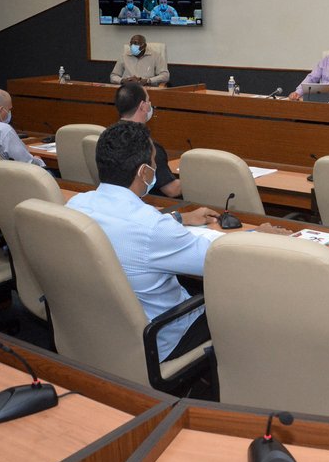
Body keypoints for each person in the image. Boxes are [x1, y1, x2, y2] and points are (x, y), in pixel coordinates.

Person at [66, 121, 219, 362]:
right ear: (144, 172)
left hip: (101, 330)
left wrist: (178, 218)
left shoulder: (76, 205)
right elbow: (221, 261)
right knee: (233, 306)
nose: (157, 167)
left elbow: (128, 226)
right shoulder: (153, 227)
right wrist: (258, 236)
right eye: (155, 161)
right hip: (161, 339)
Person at [115, 82, 181, 197]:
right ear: (143, 106)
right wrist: (194, 181)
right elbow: (172, 190)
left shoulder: (109, 138)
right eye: (148, 100)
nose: (150, 105)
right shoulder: (148, 146)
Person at [0, 88, 45, 167]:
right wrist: (38, 161)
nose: (9, 113)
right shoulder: (4, 130)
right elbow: (27, 164)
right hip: (8, 176)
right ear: (1, 110)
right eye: (9, 109)